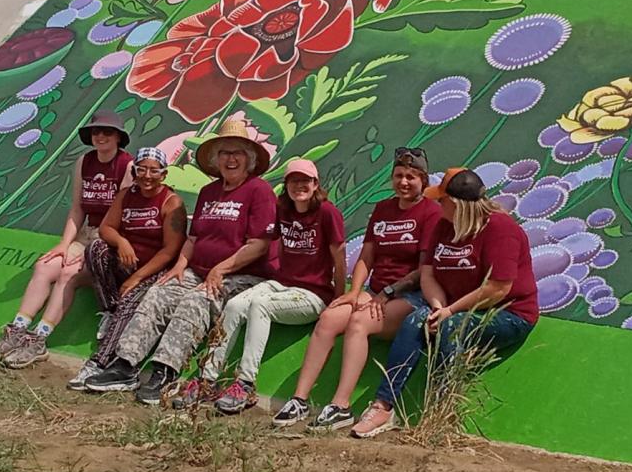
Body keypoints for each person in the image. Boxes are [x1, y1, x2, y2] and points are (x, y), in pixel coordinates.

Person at [83, 118, 277, 405]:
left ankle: (165, 371)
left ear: (249, 159)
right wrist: (178, 267)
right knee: (158, 292)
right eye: (224, 152)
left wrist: (220, 269)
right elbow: (193, 239)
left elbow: (259, 245)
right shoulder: (208, 193)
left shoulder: (259, 191)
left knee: (195, 302)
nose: (230, 159)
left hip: (240, 275)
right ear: (216, 158)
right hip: (199, 270)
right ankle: (125, 365)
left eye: (237, 153)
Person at [349, 168, 539, 438]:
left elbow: (497, 288)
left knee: (451, 326)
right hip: (450, 305)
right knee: (415, 320)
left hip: (506, 313)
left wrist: (450, 311)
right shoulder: (443, 225)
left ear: (459, 205)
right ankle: (383, 406)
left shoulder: (500, 228)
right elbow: (428, 274)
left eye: (442, 200)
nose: (437, 205)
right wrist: (439, 307)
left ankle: (440, 413)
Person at [272, 148, 442, 431]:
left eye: (411, 177)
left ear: (423, 180)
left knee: (359, 322)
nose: (404, 182)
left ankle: (341, 406)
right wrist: (353, 291)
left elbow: (423, 271)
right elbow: (367, 255)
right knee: (329, 317)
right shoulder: (383, 209)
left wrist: (387, 292)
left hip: (409, 296)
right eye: (399, 175)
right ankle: (299, 399)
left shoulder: (431, 213)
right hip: (376, 291)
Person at [172, 159, 346, 414]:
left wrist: (339, 297)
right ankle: (207, 379)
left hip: (313, 294)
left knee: (259, 305)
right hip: (283, 284)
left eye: (305, 181)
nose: (300, 186)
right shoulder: (282, 209)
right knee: (234, 304)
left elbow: (339, 256)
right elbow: (270, 243)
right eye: (293, 180)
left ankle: (245, 383)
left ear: (315, 184)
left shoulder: (327, 212)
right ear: (285, 185)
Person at [0, 111, 133, 368]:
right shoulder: (84, 162)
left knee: (68, 273)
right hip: (85, 232)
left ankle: (39, 339)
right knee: (45, 265)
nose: (100, 136)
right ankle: (17, 330)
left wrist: (89, 248)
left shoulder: (127, 166)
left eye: (107, 132)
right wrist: (65, 244)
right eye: (95, 131)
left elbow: (121, 216)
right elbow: (77, 208)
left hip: (107, 241)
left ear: (118, 138)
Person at [66, 147, 188, 390]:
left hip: (154, 270)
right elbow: (106, 228)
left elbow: (170, 250)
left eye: (154, 170)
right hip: (127, 262)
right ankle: (111, 310)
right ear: (134, 171)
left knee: (130, 300)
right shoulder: (125, 195)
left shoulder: (171, 203)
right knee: (97, 249)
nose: (147, 175)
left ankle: (99, 363)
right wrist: (122, 242)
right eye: (141, 169)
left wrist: (138, 277)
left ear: (164, 175)